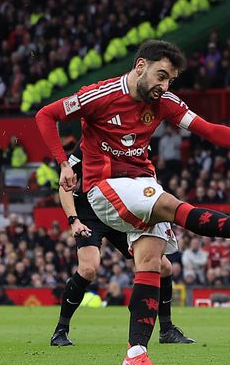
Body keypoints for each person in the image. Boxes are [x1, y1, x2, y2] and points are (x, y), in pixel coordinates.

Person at [36, 39, 230, 365]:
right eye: (160, 76)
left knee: (152, 263)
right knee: (171, 206)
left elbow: (210, 131)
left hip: (143, 182)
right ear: (140, 66)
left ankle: (136, 353)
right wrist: (63, 164)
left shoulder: (165, 102)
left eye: (170, 80)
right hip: (103, 187)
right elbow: (46, 115)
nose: (163, 86)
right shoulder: (98, 95)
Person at [50, 142, 194, 346]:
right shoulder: (88, 146)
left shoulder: (139, 144)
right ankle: (60, 330)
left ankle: (167, 330)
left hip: (121, 209)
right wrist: (74, 220)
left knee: (163, 267)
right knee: (88, 268)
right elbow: (65, 187)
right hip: (89, 212)